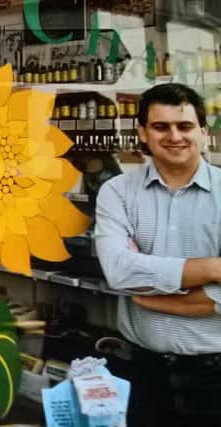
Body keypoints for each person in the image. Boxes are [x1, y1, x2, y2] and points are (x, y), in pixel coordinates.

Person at [95, 83, 221, 426]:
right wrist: (211, 268)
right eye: (161, 126)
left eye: (184, 126)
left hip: (215, 374)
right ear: (142, 133)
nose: (174, 136)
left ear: (203, 131)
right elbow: (120, 272)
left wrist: (151, 298)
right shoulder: (117, 192)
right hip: (141, 369)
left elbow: (133, 277)